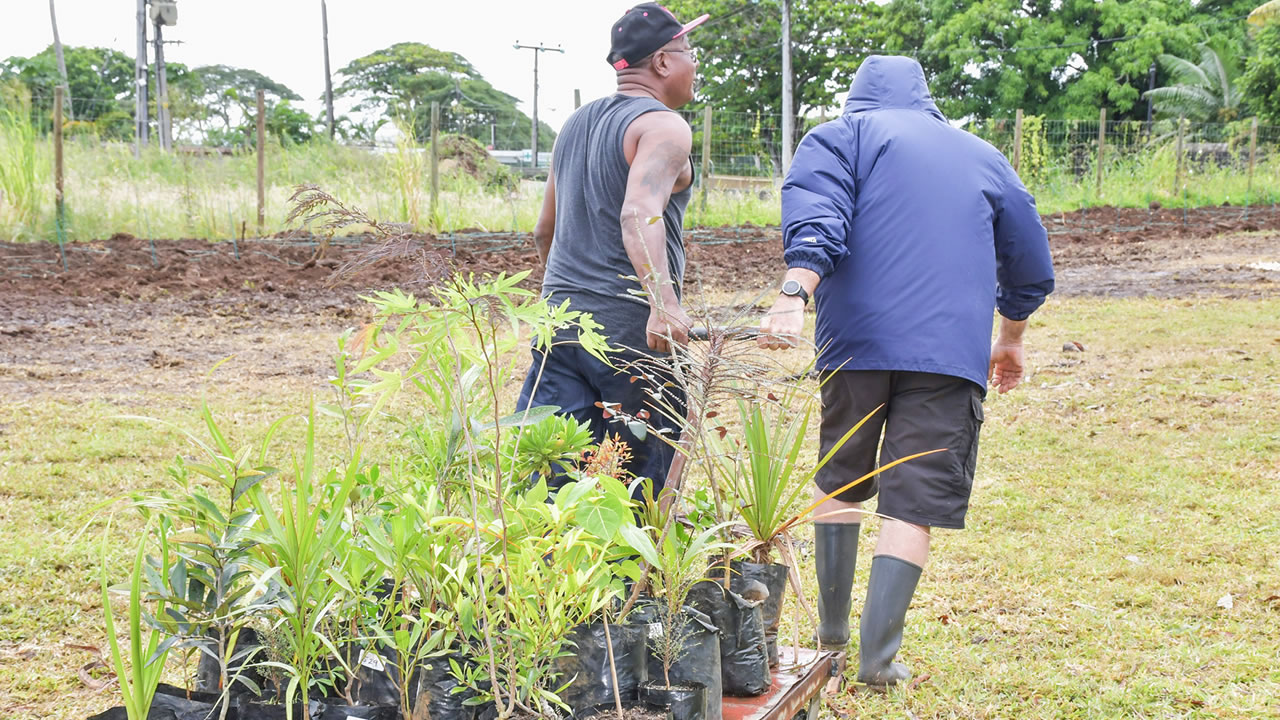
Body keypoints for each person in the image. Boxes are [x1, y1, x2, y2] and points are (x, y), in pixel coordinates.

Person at [757, 55, 1055, 687]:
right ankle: (878, 661)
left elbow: (818, 215)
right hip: (949, 355)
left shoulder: (838, 137)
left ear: (857, 96)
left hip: (855, 345)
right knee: (911, 502)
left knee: (839, 480)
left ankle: (830, 638)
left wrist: (794, 291)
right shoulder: (982, 155)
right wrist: (1010, 338)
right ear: (926, 98)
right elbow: (1029, 259)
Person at [517, 2, 709, 496]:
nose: (695, 64)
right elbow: (638, 213)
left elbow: (544, 231)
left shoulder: (574, 125)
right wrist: (664, 305)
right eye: (689, 52)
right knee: (640, 484)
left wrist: (565, 299)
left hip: (559, 325)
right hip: (630, 336)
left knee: (549, 477)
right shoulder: (663, 126)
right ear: (662, 62)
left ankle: (540, 548)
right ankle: (635, 552)